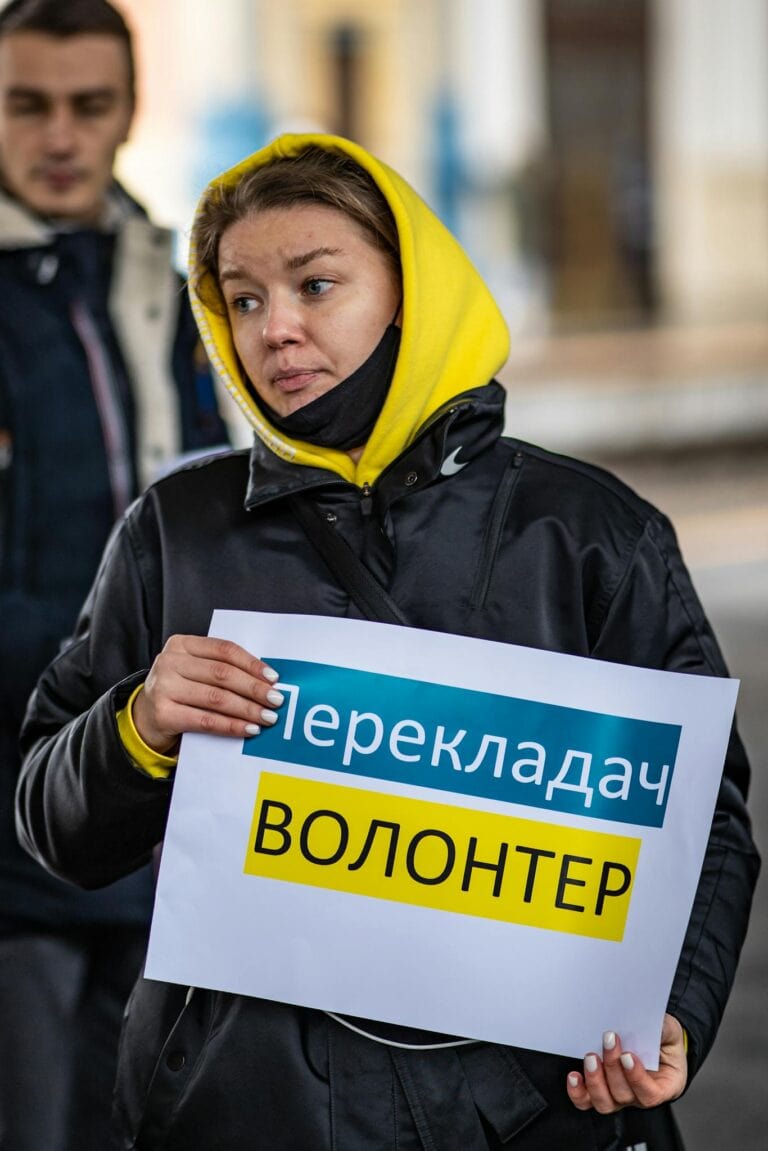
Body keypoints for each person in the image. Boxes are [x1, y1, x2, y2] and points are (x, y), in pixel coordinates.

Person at [16, 133, 759, 1151]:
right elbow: (51, 821)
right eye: (241, 299)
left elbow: (701, 818)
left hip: (538, 1110)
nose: (274, 329)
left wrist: (673, 1008)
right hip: (244, 1110)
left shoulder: (588, 531)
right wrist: (135, 725)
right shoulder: (173, 531)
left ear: (412, 291)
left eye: (317, 285)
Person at [0, 0, 228, 1147]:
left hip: (158, 808)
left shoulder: (171, 282)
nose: (60, 136)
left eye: (90, 106)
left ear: (130, 111)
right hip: (13, 832)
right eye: (26, 104)